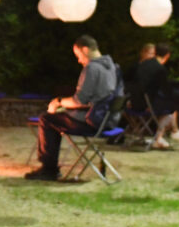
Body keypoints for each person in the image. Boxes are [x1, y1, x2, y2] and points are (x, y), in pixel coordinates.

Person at [26, 35, 120, 180]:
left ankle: (49, 169)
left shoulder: (92, 68)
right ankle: (50, 168)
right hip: (107, 120)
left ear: (85, 49)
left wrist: (58, 102)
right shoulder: (112, 67)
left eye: (78, 55)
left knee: (47, 119)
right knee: (57, 117)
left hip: (92, 121)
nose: (78, 60)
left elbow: (79, 100)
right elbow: (97, 97)